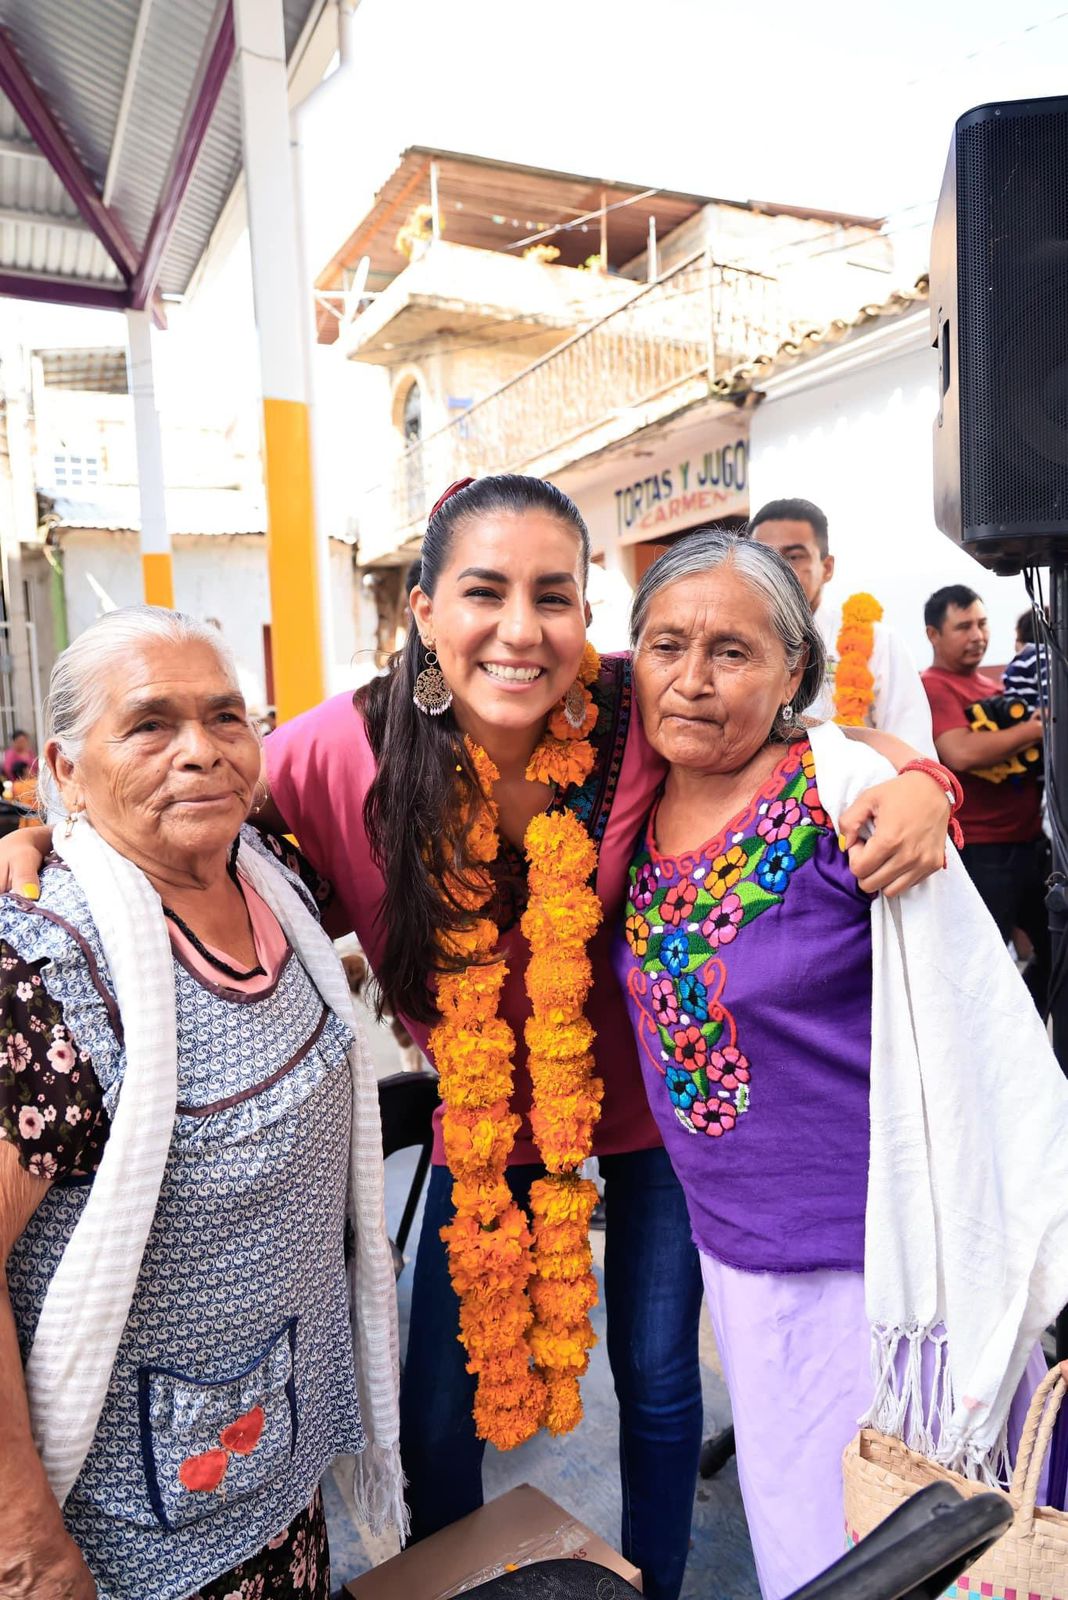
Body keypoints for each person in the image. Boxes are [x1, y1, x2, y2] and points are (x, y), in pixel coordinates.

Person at [0, 477, 954, 1600]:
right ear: (421, 609)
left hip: (645, 1115)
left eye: (553, 595)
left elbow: (809, 741)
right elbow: (183, 808)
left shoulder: (631, 708)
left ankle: (653, 1577)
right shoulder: (337, 750)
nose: (519, 628)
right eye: (483, 591)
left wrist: (922, 778)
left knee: (655, 1379)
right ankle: (445, 1582)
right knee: (439, 1398)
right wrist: (44, 835)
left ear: (586, 612)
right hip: (480, 1117)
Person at [614, 531, 1068, 1600]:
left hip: (883, 1274)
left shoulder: (846, 795)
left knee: (923, 1548)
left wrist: (921, 780)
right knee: (805, 1542)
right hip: (736, 1256)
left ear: (792, 677)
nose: (691, 676)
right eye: (665, 644)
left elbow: (972, 1022)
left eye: (732, 650)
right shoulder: (622, 800)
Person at [0, 609, 403, 1600]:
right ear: (68, 764)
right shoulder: (48, 970)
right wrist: (26, 1549)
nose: (202, 750)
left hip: (281, 1466)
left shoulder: (282, 882)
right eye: (150, 724)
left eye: (226, 716)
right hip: (134, 1543)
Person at [921, 584, 1050, 1012]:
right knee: (981, 970)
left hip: (1029, 845)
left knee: (1054, 953)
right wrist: (1034, 729)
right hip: (982, 851)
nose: (976, 635)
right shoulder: (934, 686)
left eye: (981, 623)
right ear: (933, 635)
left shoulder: (991, 685)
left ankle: (1027, 1034)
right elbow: (961, 751)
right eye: (962, 627)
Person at [749, 497, 934, 751]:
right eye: (763, 557)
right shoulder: (730, 645)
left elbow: (915, 752)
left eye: (793, 556)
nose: (777, 569)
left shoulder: (878, 642)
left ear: (827, 568)